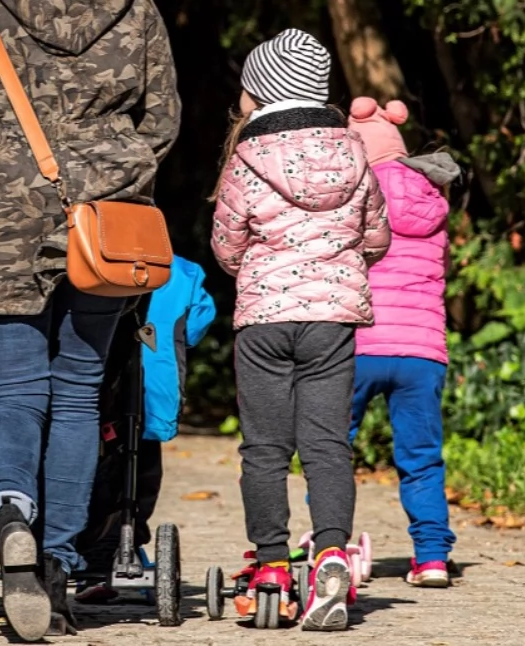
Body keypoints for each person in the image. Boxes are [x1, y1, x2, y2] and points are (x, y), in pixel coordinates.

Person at [0, 0, 181, 639]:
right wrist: (104, 157)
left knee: (9, 389)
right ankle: (56, 565)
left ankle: (10, 517)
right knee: (81, 393)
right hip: (106, 220)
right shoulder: (135, 11)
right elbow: (161, 122)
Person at [211, 28, 390, 632]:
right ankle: (333, 554)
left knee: (264, 447)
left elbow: (226, 242)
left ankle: (269, 566)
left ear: (261, 90)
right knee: (326, 444)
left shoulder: (246, 159)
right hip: (332, 317)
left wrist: (255, 272)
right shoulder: (356, 153)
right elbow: (376, 236)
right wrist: (341, 263)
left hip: (264, 318)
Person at [345, 97, 460, 588]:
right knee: (421, 456)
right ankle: (432, 557)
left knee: (332, 450)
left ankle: (331, 547)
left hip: (357, 345)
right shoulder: (432, 199)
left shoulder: (350, 192)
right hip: (422, 350)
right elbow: (442, 271)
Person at [76, 254, 216, 604]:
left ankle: (82, 549)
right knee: (141, 472)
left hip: (90, 391)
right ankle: (124, 546)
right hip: (151, 393)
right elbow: (198, 325)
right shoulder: (183, 271)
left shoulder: (85, 256)